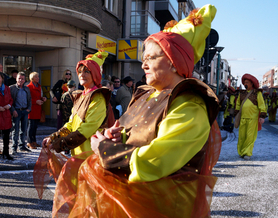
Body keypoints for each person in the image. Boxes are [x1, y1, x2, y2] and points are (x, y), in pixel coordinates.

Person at [48, 5, 221, 217]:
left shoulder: (189, 104)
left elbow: (158, 159)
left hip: (161, 207)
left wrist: (105, 150)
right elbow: (138, 131)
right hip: (131, 201)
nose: (143, 65)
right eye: (144, 58)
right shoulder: (148, 94)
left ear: (174, 62)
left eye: (151, 58)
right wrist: (116, 137)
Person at [34, 50, 112, 199]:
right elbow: (70, 124)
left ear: (95, 74)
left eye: (87, 71)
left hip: (91, 157)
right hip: (79, 155)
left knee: (90, 199)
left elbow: (85, 130)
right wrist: (54, 137)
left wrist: (59, 144)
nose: (82, 74)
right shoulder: (82, 96)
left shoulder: (98, 98)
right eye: (80, 71)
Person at [234, 74, 266, 160]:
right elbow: (238, 105)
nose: (245, 84)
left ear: (252, 83)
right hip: (243, 118)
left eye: (247, 82)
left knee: (250, 137)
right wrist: (236, 114)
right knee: (241, 137)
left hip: (253, 118)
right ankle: (241, 152)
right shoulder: (241, 93)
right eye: (244, 82)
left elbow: (262, 105)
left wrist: (262, 116)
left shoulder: (257, 93)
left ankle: (247, 153)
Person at [10, 72, 32, 154]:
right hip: (16, 111)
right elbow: (9, 101)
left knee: (24, 130)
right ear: (16, 79)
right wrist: (13, 111)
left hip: (25, 111)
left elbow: (29, 100)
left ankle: (22, 146)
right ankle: (14, 148)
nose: (21, 80)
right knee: (15, 130)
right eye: (19, 78)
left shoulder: (27, 89)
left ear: (25, 80)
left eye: (22, 79)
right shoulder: (12, 88)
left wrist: (29, 109)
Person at [27, 72, 47, 149]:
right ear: (32, 78)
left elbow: (40, 96)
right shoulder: (29, 87)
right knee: (31, 126)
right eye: (36, 77)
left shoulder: (39, 86)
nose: (38, 78)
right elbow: (27, 99)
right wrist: (35, 101)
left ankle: (34, 141)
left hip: (38, 109)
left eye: (38, 77)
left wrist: (43, 98)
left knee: (35, 126)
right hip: (32, 109)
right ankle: (29, 141)